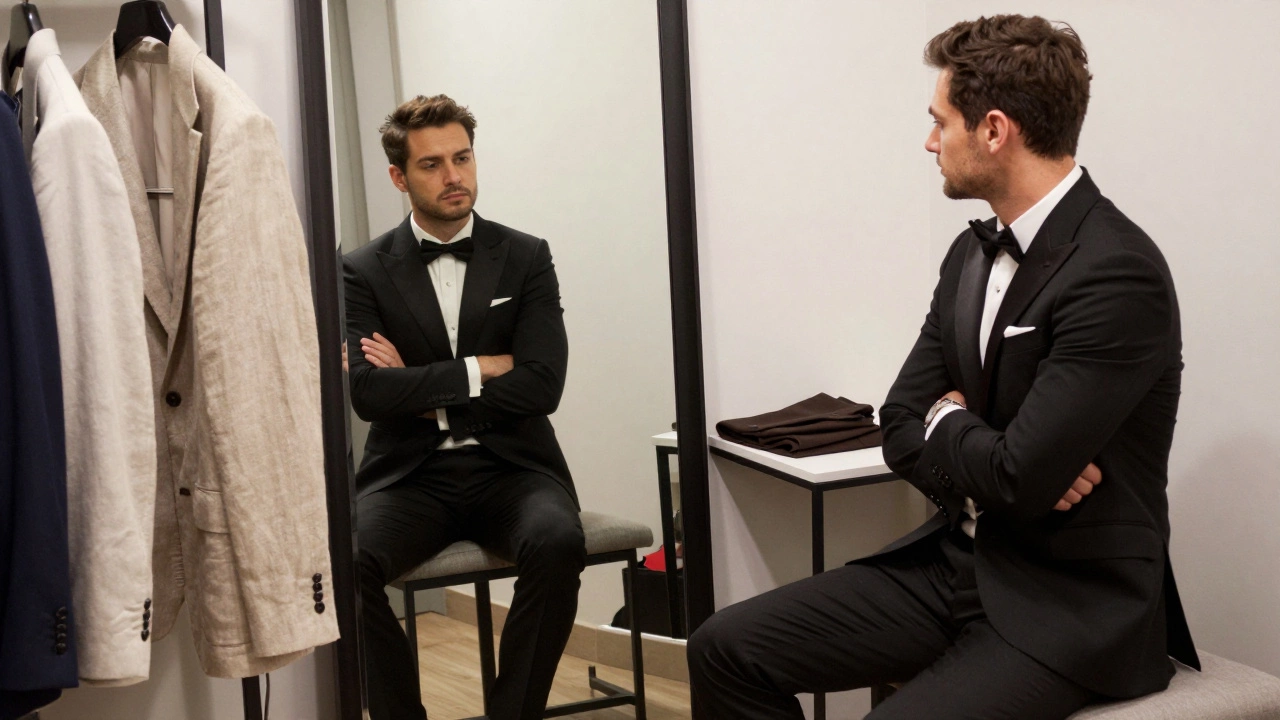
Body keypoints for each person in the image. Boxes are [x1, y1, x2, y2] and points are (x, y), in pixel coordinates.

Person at [687, 15, 1198, 719]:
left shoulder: (1117, 271)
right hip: (953, 564)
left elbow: (1019, 478)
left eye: (940, 122)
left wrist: (953, 419)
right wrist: (992, 452)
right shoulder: (970, 255)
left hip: (1068, 602)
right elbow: (898, 425)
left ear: (994, 130)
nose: (930, 141)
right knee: (722, 647)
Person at [344, 94, 584, 720]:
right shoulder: (361, 270)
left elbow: (542, 385)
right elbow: (369, 394)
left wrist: (422, 390)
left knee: (558, 539)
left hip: (514, 469)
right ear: (399, 177)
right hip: (409, 476)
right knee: (344, 561)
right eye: (432, 165)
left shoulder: (526, 255)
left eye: (463, 157)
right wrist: (480, 368)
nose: (454, 176)